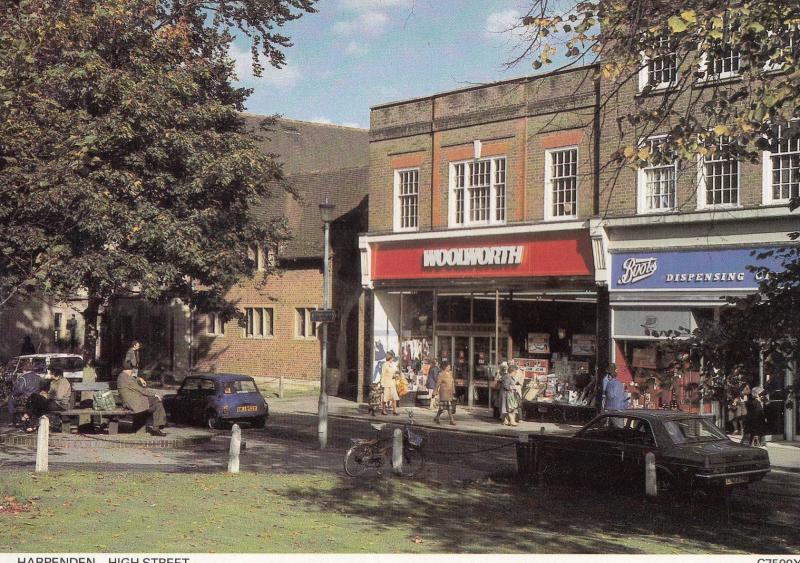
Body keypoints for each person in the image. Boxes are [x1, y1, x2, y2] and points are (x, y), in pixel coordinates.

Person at [117, 368, 167, 436]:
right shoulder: (128, 379)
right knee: (157, 400)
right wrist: (154, 394)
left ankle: (158, 425)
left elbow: (133, 383)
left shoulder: (121, 377)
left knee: (157, 405)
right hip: (134, 403)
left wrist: (138, 378)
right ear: (129, 371)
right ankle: (158, 426)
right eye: (132, 371)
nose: (133, 372)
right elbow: (141, 390)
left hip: (129, 402)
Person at [24, 367, 71, 432]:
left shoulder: (63, 382)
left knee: (37, 403)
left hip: (61, 405)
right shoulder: (53, 382)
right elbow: (50, 395)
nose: (49, 374)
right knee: (33, 396)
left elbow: (59, 397)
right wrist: (44, 395)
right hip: (53, 402)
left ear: (54, 373)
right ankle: (32, 421)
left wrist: (49, 396)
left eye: (50, 372)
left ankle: (29, 418)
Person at [9, 360, 42, 426]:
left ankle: (14, 421)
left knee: (10, 399)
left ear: (24, 369)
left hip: (26, 399)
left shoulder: (23, 378)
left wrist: (12, 394)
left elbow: (19, 390)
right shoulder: (39, 377)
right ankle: (23, 417)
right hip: (36, 399)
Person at [379, 351, 400, 416]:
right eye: (392, 357)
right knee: (385, 398)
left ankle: (395, 411)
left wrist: (397, 377)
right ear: (389, 357)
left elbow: (397, 372)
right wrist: (382, 384)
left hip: (393, 383)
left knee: (394, 397)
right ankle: (383, 410)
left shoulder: (394, 364)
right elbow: (383, 374)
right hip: (386, 383)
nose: (393, 359)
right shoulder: (385, 365)